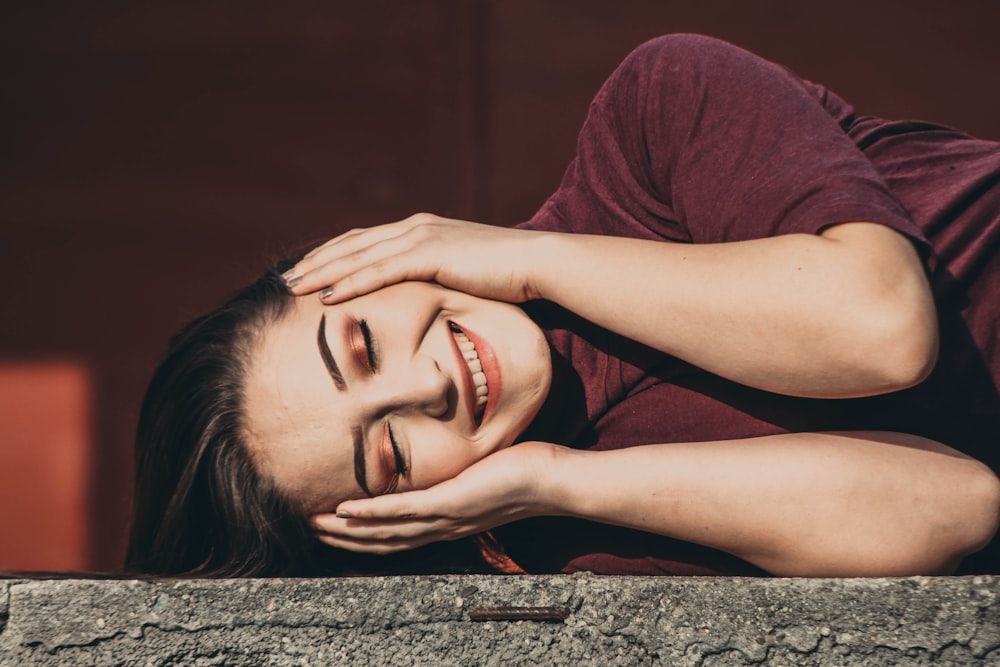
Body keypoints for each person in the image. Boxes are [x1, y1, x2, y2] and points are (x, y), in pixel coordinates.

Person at [126, 34, 1000, 578]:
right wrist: (559, 483)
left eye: (362, 345)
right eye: (389, 451)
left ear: (351, 266)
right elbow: (957, 504)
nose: (423, 388)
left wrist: (529, 259)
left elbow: (882, 329)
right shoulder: (570, 533)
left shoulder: (652, 122)